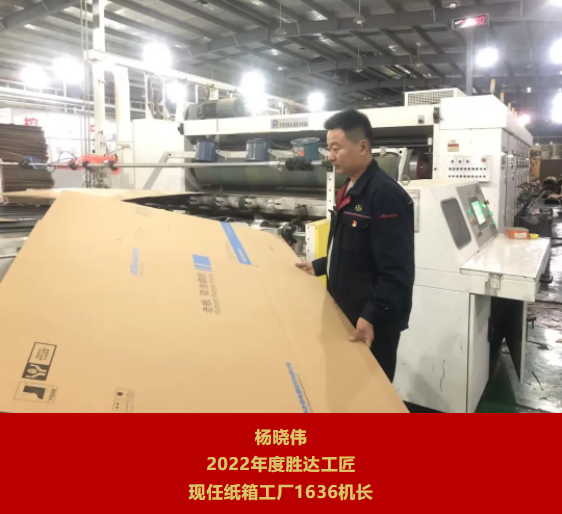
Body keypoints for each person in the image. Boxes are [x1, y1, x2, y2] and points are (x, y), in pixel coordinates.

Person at [296, 109, 415, 382]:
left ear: (362, 147)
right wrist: (320, 265)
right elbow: (353, 250)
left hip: (371, 324)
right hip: (346, 315)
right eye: (328, 148)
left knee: (369, 394)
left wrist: (371, 316)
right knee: (342, 388)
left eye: (336, 148)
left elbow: (397, 272)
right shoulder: (349, 189)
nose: (330, 156)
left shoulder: (385, 195)